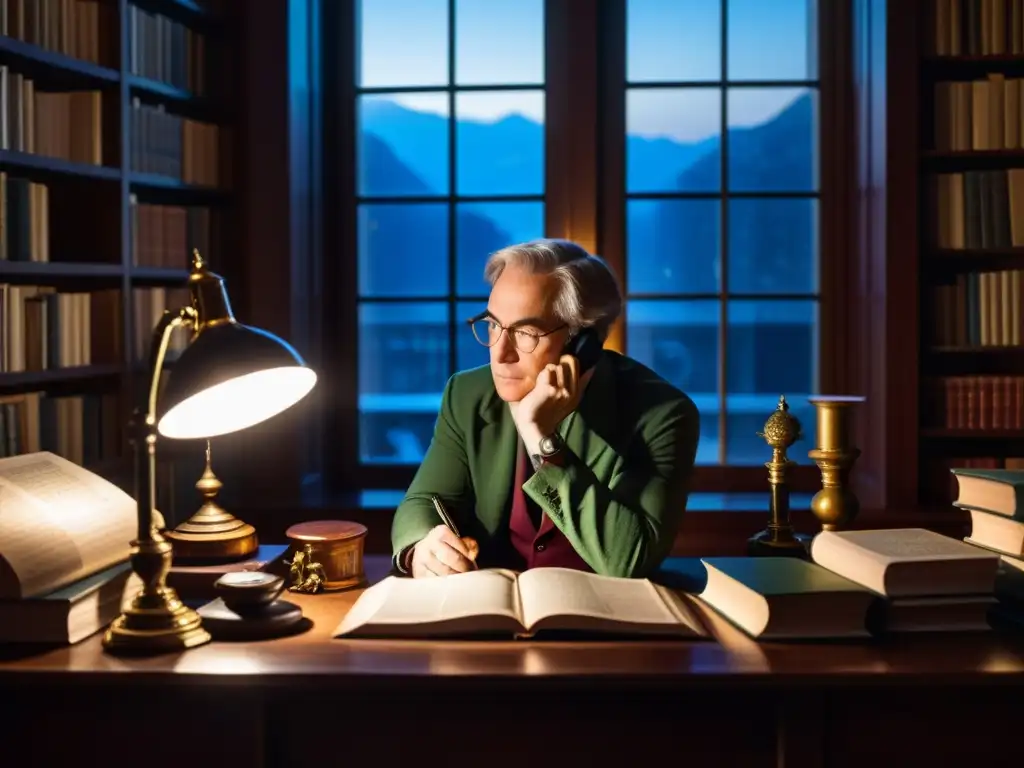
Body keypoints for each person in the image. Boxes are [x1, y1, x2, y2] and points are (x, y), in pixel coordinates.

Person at [391, 238, 700, 579]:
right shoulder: (467, 393)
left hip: (603, 618)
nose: (500, 353)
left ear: (583, 343)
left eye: (525, 332)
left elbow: (628, 561)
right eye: (493, 325)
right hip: (491, 610)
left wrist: (542, 438)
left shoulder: (664, 414)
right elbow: (422, 502)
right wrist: (421, 547)